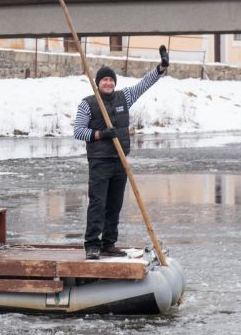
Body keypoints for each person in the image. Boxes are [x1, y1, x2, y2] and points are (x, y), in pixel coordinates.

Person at [73, 46, 170, 260]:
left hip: (120, 161)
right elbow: (78, 131)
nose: (108, 83)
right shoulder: (88, 104)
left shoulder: (124, 97)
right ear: (98, 83)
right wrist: (100, 134)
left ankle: (108, 243)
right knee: (98, 203)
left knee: (115, 204)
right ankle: (92, 245)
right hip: (99, 161)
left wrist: (161, 68)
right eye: (104, 80)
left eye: (111, 80)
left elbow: (143, 84)